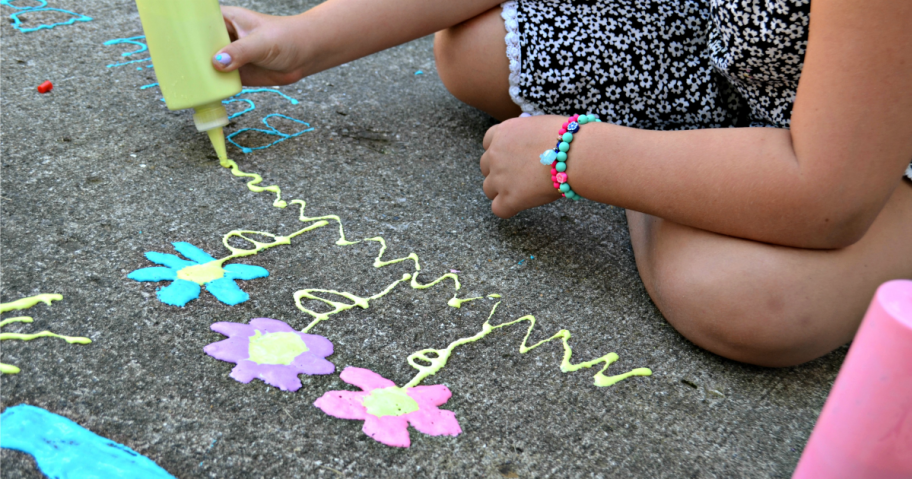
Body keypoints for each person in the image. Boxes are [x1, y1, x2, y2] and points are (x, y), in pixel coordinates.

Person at [210, 1, 912, 367]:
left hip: (870, 151)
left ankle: (687, 163)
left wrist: (580, 156)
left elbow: (828, 196)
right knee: (476, 52)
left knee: (742, 297)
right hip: (759, 55)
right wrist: (303, 39)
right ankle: (706, 161)